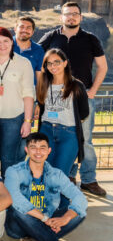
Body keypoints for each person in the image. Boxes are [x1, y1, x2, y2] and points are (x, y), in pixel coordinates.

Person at [38, 1, 107, 196]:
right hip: (54, 96)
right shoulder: (51, 36)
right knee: (59, 137)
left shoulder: (90, 39)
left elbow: (103, 67)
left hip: (80, 96)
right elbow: (36, 57)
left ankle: (89, 179)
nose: (71, 17)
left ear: (80, 17)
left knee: (85, 140)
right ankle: (68, 176)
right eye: (67, 14)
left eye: (75, 14)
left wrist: (92, 90)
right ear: (61, 17)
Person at [4, 132, 90, 241]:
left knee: (79, 212)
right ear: (26, 150)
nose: (38, 152)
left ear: (49, 151)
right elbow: (14, 199)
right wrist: (44, 218)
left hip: (47, 220)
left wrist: (65, 218)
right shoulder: (14, 171)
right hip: (20, 226)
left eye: (42, 148)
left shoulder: (57, 174)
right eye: (33, 147)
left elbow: (80, 197)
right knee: (17, 209)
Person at [0, 27, 35, 176]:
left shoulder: (24, 63)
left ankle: (8, 192)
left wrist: (27, 121)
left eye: (6, 41)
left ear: (12, 42)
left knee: (9, 158)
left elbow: (29, 94)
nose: (2, 45)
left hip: (13, 119)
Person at [35, 49, 89, 177]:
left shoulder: (77, 86)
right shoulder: (43, 84)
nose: (53, 66)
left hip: (68, 134)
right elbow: (41, 104)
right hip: (46, 131)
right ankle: (44, 197)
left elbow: (84, 112)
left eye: (57, 62)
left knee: (60, 174)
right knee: (44, 172)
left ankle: (62, 198)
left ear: (65, 63)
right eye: (49, 63)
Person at [13, 16, 44, 84]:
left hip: (29, 92)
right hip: (8, 91)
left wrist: (39, 93)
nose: (25, 30)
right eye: (22, 27)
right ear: (15, 29)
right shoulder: (5, 45)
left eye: (28, 28)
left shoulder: (38, 50)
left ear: (32, 32)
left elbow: (39, 76)